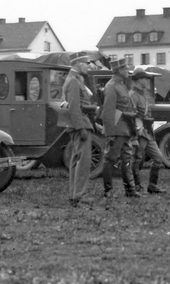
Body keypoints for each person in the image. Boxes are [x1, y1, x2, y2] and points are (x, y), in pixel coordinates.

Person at [60, 55, 98, 206]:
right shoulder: (74, 82)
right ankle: (79, 196)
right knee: (83, 162)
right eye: (86, 64)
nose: (88, 67)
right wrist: (81, 128)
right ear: (77, 64)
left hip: (78, 124)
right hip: (80, 125)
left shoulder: (74, 80)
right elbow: (74, 108)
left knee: (77, 161)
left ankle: (74, 195)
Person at [100, 59, 140, 199]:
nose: (127, 71)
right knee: (110, 158)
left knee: (127, 159)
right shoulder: (111, 86)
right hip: (116, 129)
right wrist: (110, 133)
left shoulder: (121, 85)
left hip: (125, 129)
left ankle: (130, 189)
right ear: (119, 70)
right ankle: (108, 190)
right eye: (125, 69)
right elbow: (108, 111)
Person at [128, 68, 166, 193]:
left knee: (158, 157)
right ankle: (136, 186)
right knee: (137, 159)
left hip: (147, 130)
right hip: (139, 130)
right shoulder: (133, 95)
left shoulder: (142, 94)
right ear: (139, 80)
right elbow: (131, 115)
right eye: (145, 78)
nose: (147, 81)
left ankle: (152, 185)